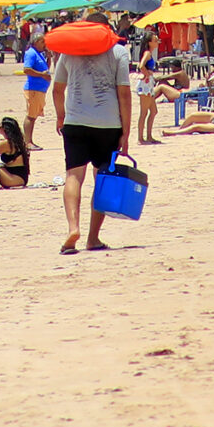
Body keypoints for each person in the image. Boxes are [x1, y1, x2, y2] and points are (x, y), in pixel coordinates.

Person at [51, 13, 132, 254]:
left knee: (74, 176)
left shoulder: (69, 52)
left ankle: (72, 228)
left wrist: (60, 116)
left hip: (75, 122)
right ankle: (93, 238)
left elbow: (57, 90)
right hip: (108, 124)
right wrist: (126, 132)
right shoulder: (119, 52)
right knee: (103, 180)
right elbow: (124, 94)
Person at [21, 30, 52, 136]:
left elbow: (46, 68)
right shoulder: (31, 53)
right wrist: (41, 75)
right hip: (34, 88)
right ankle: (27, 141)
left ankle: (29, 140)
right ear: (36, 42)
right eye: (42, 42)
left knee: (34, 116)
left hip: (40, 89)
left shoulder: (39, 54)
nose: (44, 44)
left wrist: (48, 57)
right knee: (31, 116)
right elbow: (27, 69)